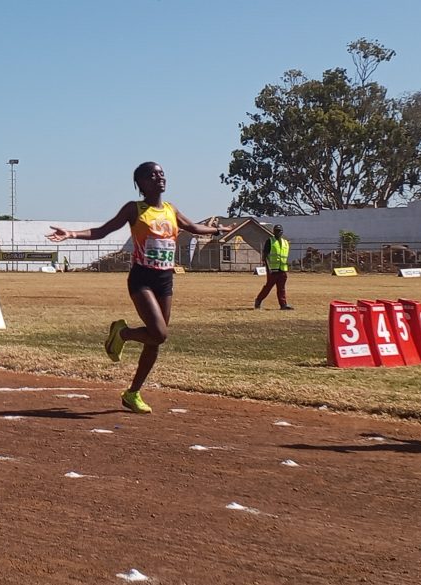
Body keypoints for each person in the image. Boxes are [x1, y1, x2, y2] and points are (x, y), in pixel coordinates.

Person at [46, 162, 233, 414]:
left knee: (155, 340)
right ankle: (122, 333)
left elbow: (193, 227)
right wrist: (71, 233)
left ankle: (133, 392)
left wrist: (218, 229)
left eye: (162, 173)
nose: (160, 178)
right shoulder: (134, 209)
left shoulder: (170, 209)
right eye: (152, 175)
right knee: (159, 333)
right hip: (142, 277)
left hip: (165, 279)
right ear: (141, 183)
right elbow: (103, 230)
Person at [255, 224, 294, 310]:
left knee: (281, 288)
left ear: (282, 232)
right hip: (272, 270)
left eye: (279, 231)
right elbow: (265, 256)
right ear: (273, 232)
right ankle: (258, 300)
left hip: (282, 269)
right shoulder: (270, 241)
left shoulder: (285, 242)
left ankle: (283, 305)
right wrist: (268, 268)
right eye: (276, 231)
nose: (278, 232)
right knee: (268, 287)